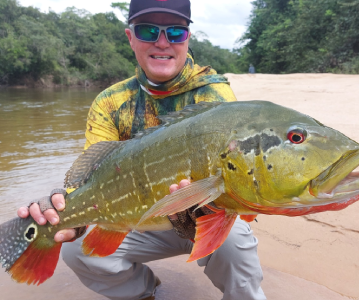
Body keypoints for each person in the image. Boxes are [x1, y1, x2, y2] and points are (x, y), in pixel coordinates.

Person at [17, 1, 266, 299]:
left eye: (175, 32)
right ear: (130, 37)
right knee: (77, 249)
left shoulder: (213, 95)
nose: (162, 42)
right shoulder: (109, 103)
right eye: (148, 31)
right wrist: (67, 216)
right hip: (134, 215)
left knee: (234, 244)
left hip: (201, 215)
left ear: (187, 38)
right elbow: (92, 181)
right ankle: (143, 293)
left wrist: (197, 215)